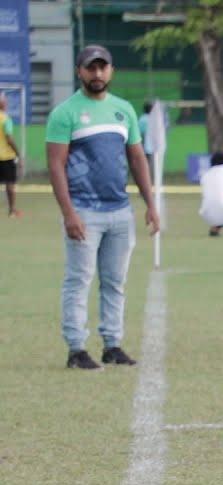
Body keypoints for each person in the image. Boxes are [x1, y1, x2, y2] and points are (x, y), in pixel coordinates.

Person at [46, 45, 158, 371]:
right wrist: (69, 213)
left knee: (114, 281)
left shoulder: (123, 110)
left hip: (120, 212)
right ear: (79, 71)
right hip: (84, 211)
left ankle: (113, 344)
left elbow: (137, 159)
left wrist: (150, 204)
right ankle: (76, 349)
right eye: (90, 68)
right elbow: (56, 165)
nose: (97, 74)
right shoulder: (64, 113)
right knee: (79, 280)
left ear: (111, 71)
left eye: (102, 68)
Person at [0, 93, 20, 218]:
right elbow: (9, 138)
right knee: (10, 184)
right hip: (6, 156)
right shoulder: (5, 119)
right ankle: (12, 211)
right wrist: (17, 152)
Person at [140, 101, 154, 171]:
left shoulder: (142, 119)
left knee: (145, 162)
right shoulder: (152, 119)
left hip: (144, 145)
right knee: (149, 162)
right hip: (149, 145)